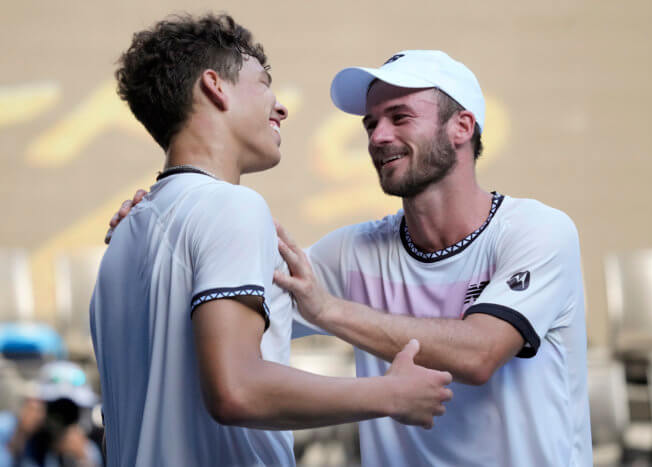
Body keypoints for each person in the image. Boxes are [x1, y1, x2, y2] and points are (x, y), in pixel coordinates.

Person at [109, 49, 592, 465]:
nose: (378, 136)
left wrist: (332, 311)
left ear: (462, 127)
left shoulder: (538, 231)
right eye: (371, 123)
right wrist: (159, 221)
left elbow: (480, 353)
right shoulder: (351, 252)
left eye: (399, 117)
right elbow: (220, 298)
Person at [91, 15, 452, 467]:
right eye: (263, 83)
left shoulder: (121, 240)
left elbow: (117, 430)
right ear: (214, 87)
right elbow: (235, 391)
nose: (281, 108)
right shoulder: (232, 207)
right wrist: (389, 394)